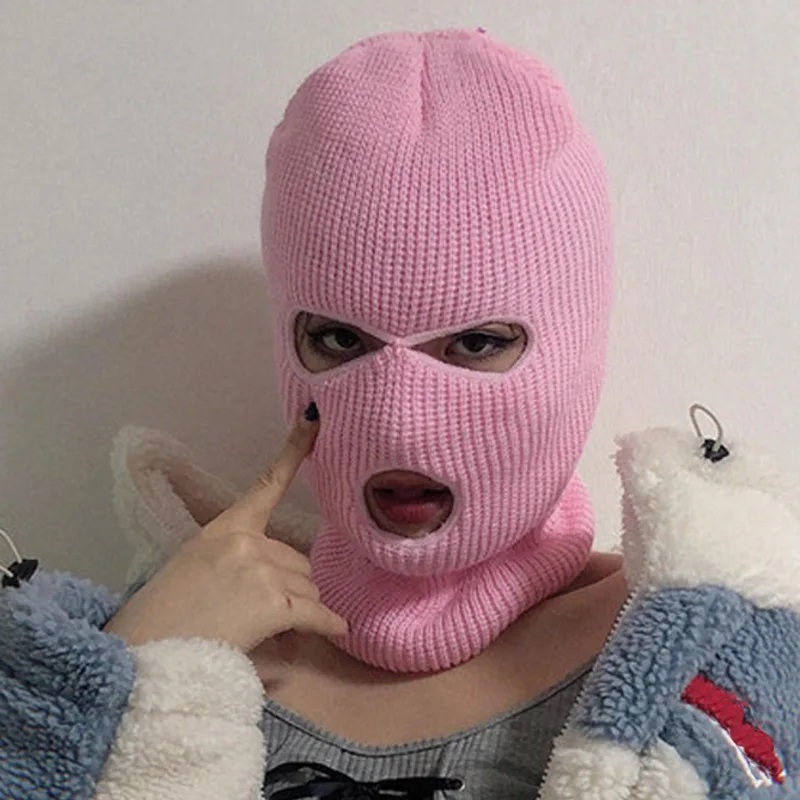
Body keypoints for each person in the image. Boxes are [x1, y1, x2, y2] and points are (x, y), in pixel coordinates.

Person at [3, 27, 798, 800]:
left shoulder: (714, 670)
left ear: (578, 347)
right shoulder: (181, 634)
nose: (399, 426)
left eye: (477, 343)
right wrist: (126, 670)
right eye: (340, 339)